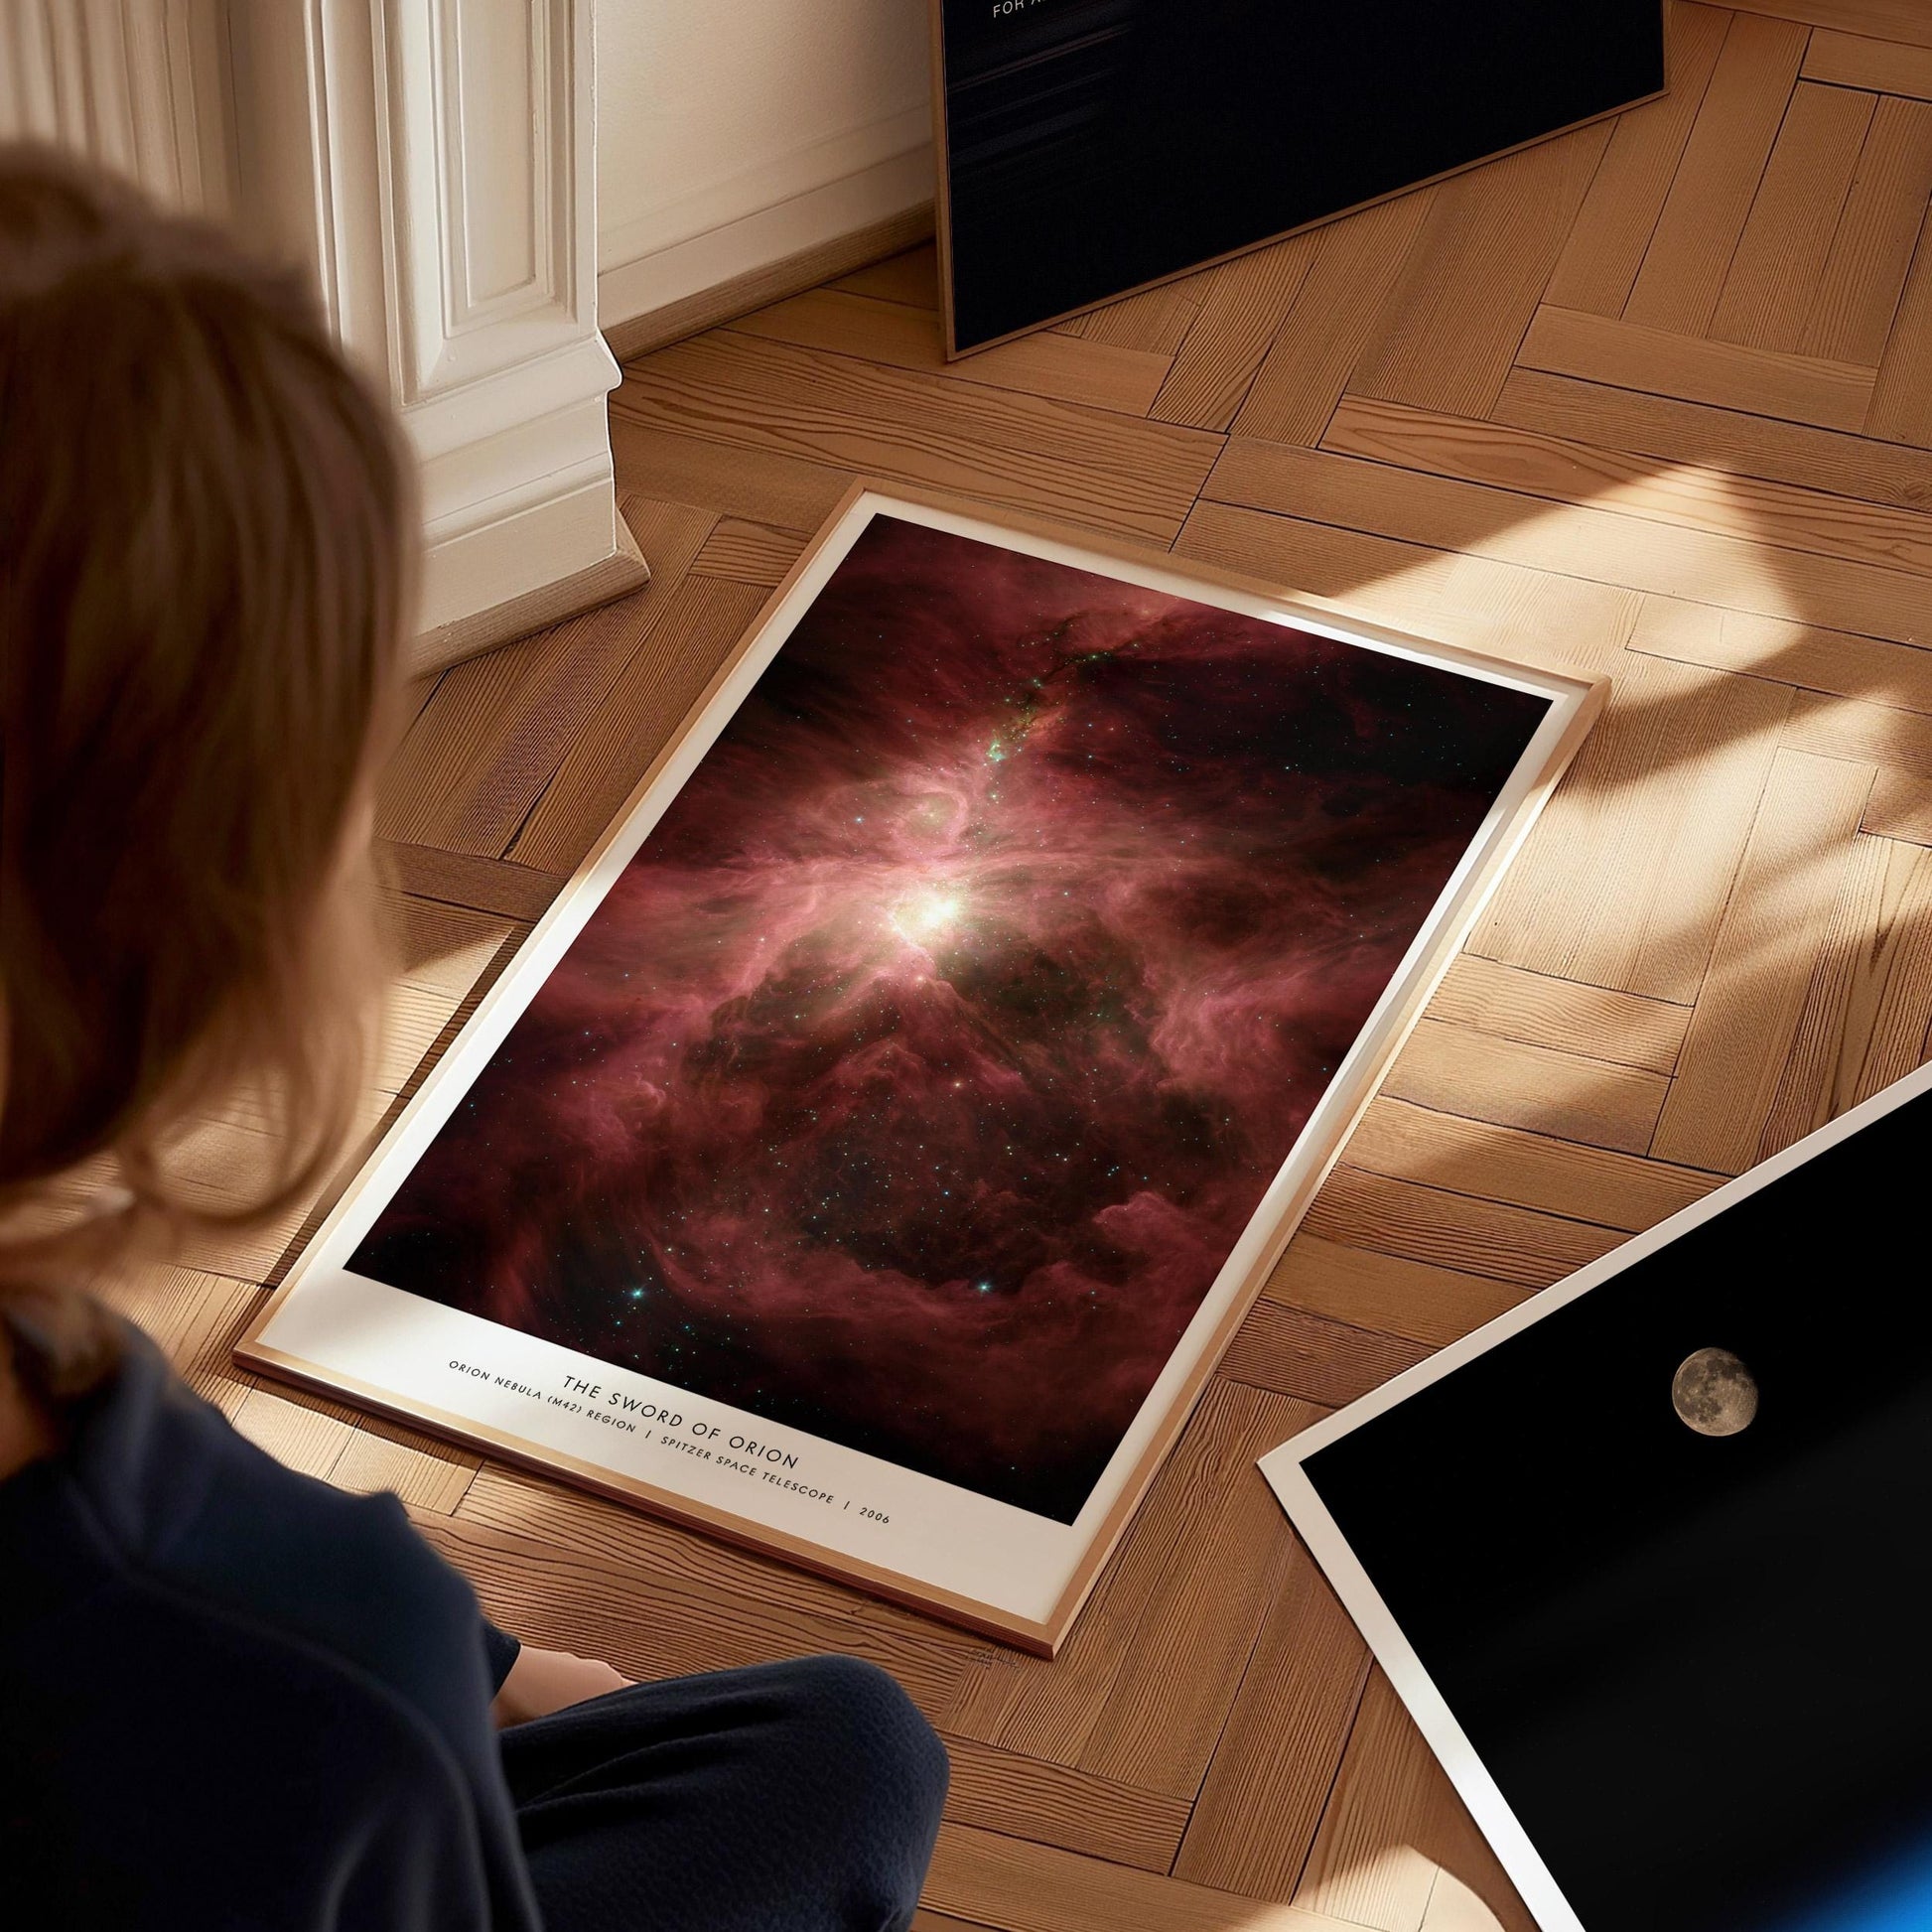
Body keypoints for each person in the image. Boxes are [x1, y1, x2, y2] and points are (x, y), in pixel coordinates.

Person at [0, 144, 949, 1931]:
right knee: (849, 1757)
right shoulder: (310, 1685)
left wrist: (481, 1657)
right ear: (210, 919)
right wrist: (430, 1675)